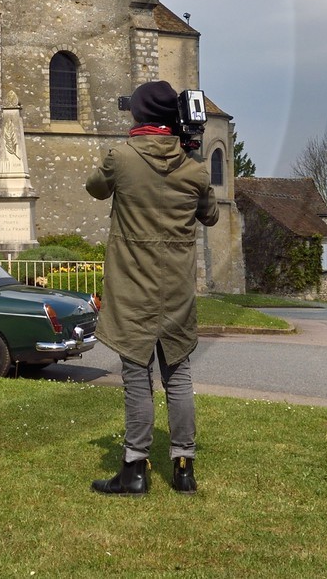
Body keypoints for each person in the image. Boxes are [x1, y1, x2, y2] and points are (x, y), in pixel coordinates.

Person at [85, 80, 218, 495]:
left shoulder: (121, 158)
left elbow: (95, 187)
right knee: (177, 376)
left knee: (136, 377)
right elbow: (210, 216)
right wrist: (190, 155)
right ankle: (183, 467)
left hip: (132, 286)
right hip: (175, 288)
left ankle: (135, 469)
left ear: (140, 116)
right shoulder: (193, 168)